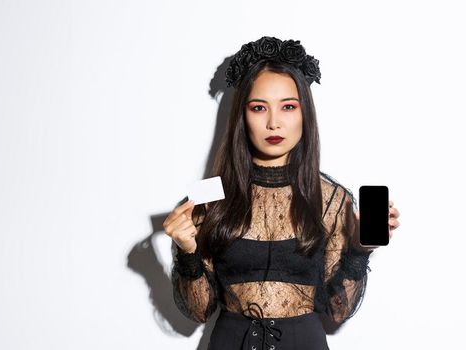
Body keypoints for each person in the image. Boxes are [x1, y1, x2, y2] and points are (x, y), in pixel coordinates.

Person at [163, 36, 402, 350]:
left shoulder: (332, 200)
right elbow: (198, 311)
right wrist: (187, 251)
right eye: (259, 108)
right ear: (242, 116)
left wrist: (359, 250)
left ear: (305, 114)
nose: (274, 122)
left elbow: (337, 311)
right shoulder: (208, 199)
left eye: (288, 106)